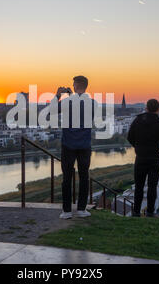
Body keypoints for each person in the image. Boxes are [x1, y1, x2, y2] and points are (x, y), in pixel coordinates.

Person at [53, 76, 96, 219]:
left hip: (68, 145)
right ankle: (82, 209)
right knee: (84, 177)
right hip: (84, 145)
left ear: (76, 86)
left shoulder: (66, 102)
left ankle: (66, 211)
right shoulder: (93, 103)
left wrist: (58, 95)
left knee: (67, 178)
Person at [127, 99, 159, 217]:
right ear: (158, 109)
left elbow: (130, 137)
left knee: (139, 187)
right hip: (155, 159)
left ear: (146, 108)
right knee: (152, 186)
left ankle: (136, 212)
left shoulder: (137, 121)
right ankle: (150, 212)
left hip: (140, 158)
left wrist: (137, 147)